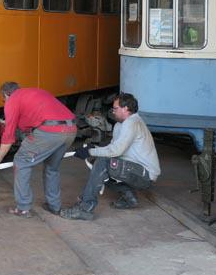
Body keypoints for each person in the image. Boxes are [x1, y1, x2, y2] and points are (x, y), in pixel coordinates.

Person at [60, 93, 160, 221]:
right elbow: (112, 148)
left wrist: (90, 152)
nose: (112, 111)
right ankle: (129, 197)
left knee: (103, 163)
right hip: (134, 170)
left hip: (145, 175)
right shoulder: (120, 125)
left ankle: (85, 208)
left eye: (115, 108)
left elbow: (115, 151)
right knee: (98, 163)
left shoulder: (132, 123)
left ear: (125, 108)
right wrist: (93, 148)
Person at [0, 81, 77, 217]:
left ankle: (23, 208)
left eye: (3, 100)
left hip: (50, 131)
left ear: (6, 94)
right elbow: (34, 119)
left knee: (21, 162)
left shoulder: (13, 100)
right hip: (71, 129)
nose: (5, 102)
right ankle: (54, 206)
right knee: (52, 167)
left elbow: (8, 138)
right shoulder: (36, 92)